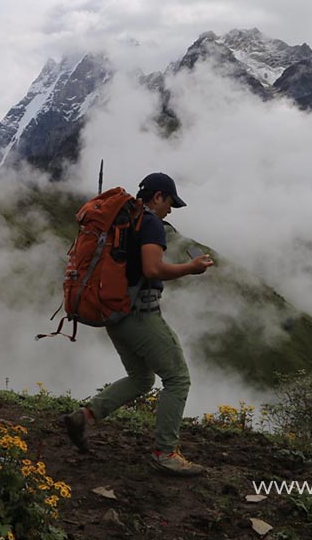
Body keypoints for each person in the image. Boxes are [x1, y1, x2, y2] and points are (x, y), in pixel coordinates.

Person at [62, 172, 215, 477]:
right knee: (177, 378)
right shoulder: (150, 223)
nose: (170, 210)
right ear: (158, 196)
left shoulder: (127, 221)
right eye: (170, 203)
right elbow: (153, 268)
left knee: (142, 378)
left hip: (113, 313)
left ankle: (85, 417)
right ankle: (165, 453)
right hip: (138, 315)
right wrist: (192, 268)